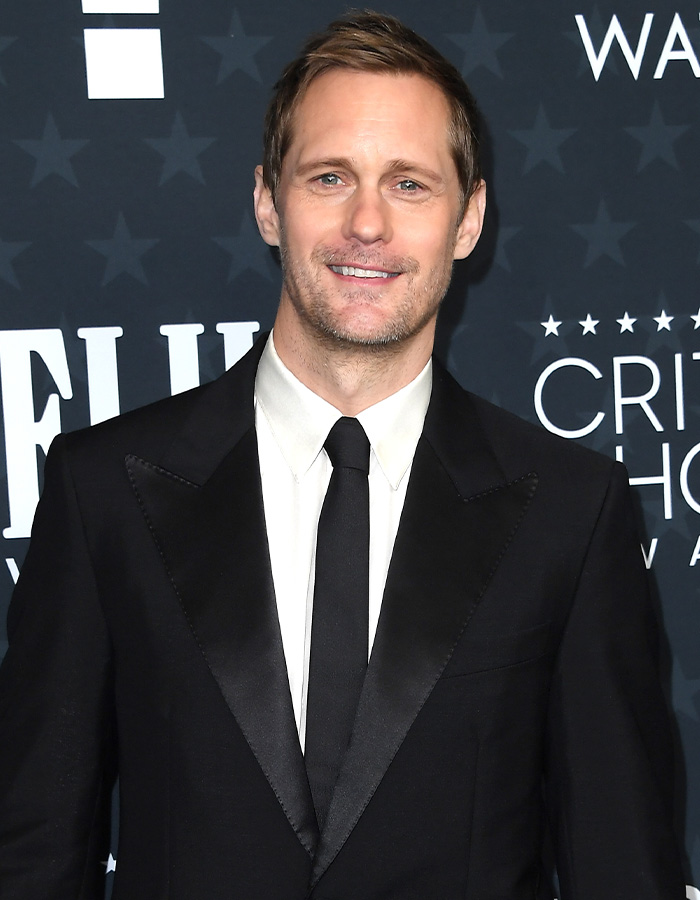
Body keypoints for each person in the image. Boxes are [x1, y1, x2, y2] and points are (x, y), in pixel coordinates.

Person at [0, 10, 685, 900]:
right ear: (266, 202)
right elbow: (34, 858)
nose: (367, 223)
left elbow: (623, 867)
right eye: (330, 177)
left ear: (469, 220)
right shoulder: (105, 493)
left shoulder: (570, 509)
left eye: (410, 185)